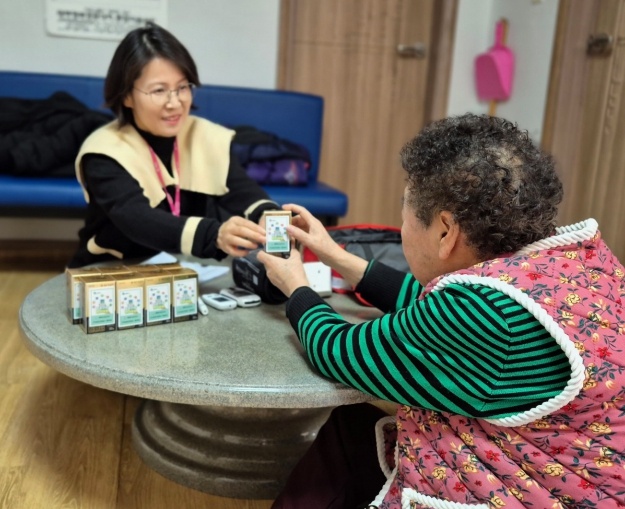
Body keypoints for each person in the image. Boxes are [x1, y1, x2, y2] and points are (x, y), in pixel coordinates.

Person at [258, 114, 625, 509]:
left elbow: (337, 350)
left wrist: (295, 285)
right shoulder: (573, 265)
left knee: (348, 434)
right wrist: (335, 255)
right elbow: (429, 313)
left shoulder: (484, 316)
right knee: (351, 427)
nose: (403, 229)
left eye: (405, 216)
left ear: (446, 231)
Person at [68, 23, 278, 268]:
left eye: (182, 87)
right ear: (126, 96)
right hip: (110, 271)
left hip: (181, 270)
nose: (175, 103)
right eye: (159, 90)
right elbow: (137, 219)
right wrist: (215, 234)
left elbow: (240, 189)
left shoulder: (208, 136)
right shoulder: (104, 150)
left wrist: (270, 217)